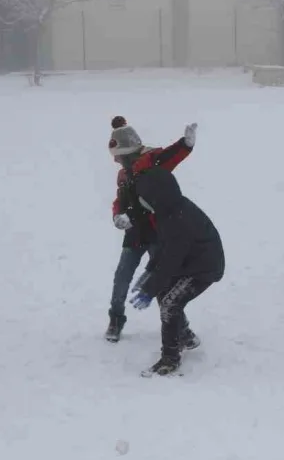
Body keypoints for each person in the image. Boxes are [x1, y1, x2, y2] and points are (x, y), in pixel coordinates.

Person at [111, 122, 224, 378]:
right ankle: (183, 337)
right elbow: (163, 255)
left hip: (204, 267)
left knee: (169, 303)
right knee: (166, 293)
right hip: (190, 261)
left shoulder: (175, 221)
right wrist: (150, 273)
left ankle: (170, 359)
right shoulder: (165, 211)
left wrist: (149, 287)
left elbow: (172, 258)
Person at [105, 116, 196, 343]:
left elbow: (171, 155)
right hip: (134, 235)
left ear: (128, 152)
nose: (116, 162)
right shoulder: (123, 174)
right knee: (122, 278)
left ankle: (182, 329)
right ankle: (116, 319)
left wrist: (185, 144)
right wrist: (118, 215)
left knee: (162, 282)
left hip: (158, 233)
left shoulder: (152, 161)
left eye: (118, 157)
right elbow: (120, 200)